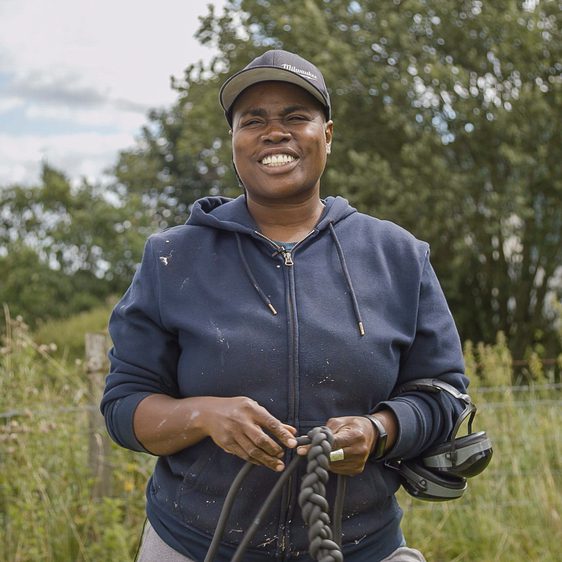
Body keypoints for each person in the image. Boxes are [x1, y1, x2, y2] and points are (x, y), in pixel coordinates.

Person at [101, 49, 468, 562]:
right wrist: (205, 415)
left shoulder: (399, 255)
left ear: (329, 135)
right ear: (234, 144)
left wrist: (379, 431)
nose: (275, 133)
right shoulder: (171, 257)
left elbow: (443, 393)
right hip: (193, 545)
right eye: (254, 121)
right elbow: (124, 407)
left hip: (359, 546)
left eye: (297, 117)